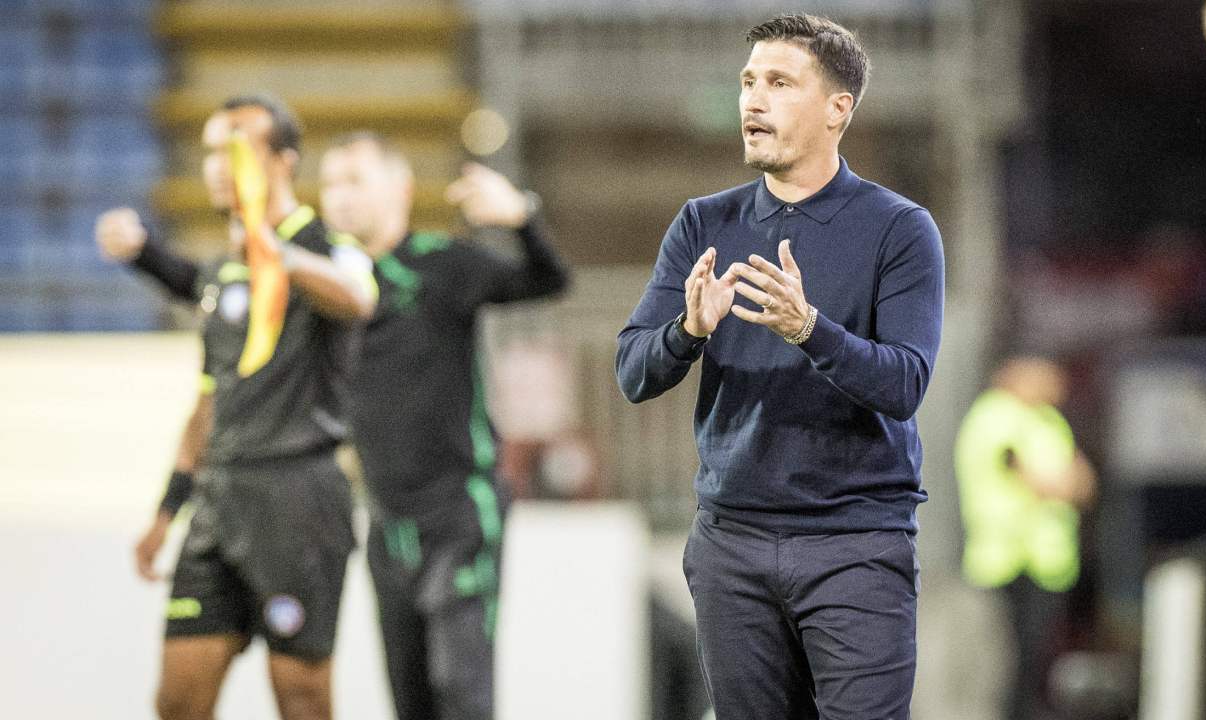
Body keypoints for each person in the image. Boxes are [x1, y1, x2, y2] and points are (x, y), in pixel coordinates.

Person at [616, 13, 945, 719]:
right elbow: (632, 372)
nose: (753, 100)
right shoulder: (703, 223)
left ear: (837, 110)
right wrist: (687, 331)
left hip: (856, 547)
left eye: (779, 83)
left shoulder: (899, 229)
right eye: (748, 82)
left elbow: (904, 383)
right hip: (731, 548)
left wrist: (809, 330)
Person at [94, 94, 376, 720]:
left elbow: (359, 296)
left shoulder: (327, 248)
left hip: (298, 499)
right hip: (219, 501)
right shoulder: (224, 270)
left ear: (283, 161)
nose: (220, 165)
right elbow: (209, 398)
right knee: (178, 699)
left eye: (237, 149)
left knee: (301, 698)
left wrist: (283, 256)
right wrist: (167, 509)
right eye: (211, 151)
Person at [318, 131, 570, 720]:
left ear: (400, 188)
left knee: (461, 692)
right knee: (411, 702)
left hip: (460, 514)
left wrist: (521, 217)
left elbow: (549, 281)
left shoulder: (443, 263)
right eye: (329, 183)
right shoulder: (328, 291)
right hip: (387, 524)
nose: (340, 196)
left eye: (354, 179)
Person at [954, 356, 1095, 720]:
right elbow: (1027, 473)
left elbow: (1083, 482)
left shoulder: (1048, 420)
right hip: (1005, 561)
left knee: (1039, 660)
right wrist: (1062, 484)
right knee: (1012, 661)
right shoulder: (995, 415)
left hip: (1045, 562)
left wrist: (1066, 484)